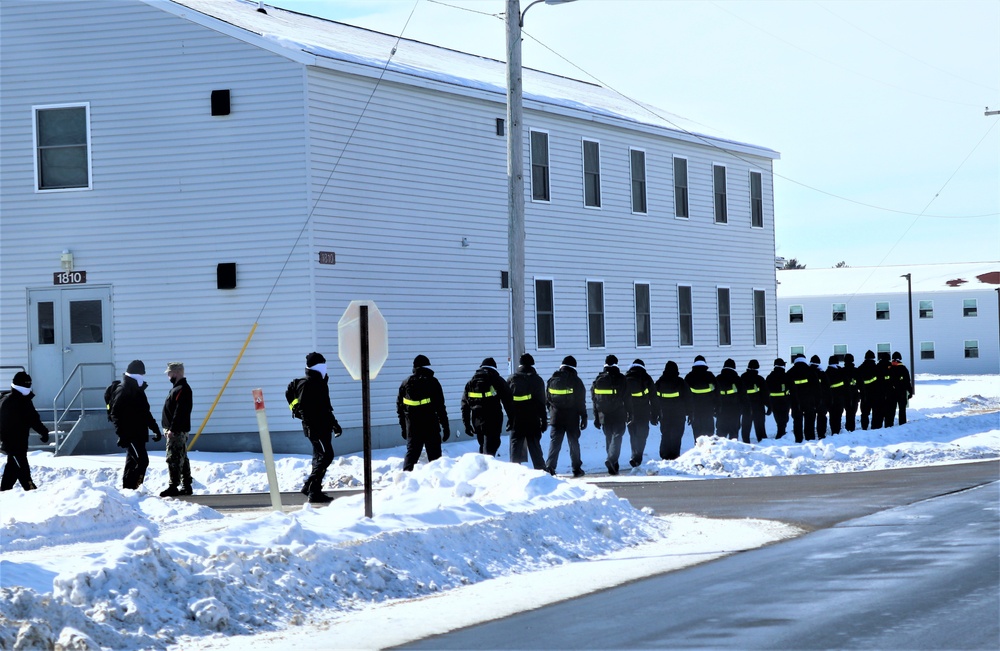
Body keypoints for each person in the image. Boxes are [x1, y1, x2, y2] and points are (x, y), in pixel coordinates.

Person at [296, 352, 343, 502]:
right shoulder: (307, 383)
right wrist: (309, 425)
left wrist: (334, 424)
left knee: (319, 458)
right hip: (315, 428)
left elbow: (325, 407)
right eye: (323, 364)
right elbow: (303, 408)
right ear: (316, 366)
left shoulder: (320, 382)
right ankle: (309, 485)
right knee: (326, 455)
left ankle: (314, 492)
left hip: (324, 426)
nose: (325, 367)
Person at [109, 360, 162, 490]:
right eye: (140, 375)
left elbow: (145, 412)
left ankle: (128, 490)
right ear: (134, 376)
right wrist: (121, 435)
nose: (142, 378)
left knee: (132, 462)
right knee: (142, 461)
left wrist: (155, 429)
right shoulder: (124, 390)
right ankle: (136, 489)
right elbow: (115, 414)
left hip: (139, 434)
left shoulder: (138, 391)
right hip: (130, 435)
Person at [398, 354, 449, 473]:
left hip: (413, 425)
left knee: (412, 454)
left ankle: (405, 480)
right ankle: (437, 481)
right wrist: (445, 426)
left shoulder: (405, 384)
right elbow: (440, 407)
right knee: (435, 457)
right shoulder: (433, 382)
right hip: (430, 424)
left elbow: (400, 407)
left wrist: (404, 427)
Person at [0, 372, 49, 492]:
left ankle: (4, 492)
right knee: (23, 471)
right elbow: (3, 424)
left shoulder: (22, 400)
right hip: (13, 445)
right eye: (27, 384)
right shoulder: (10, 402)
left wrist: (43, 432)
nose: (29, 387)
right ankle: (32, 492)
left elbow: (33, 418)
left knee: (11, 470)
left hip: (19, 444)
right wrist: (43, 432)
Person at [544, 356, 588, 477]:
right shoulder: (576, 381)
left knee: (555, 442)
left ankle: (550, 467)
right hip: (571, 418)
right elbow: (581, 401)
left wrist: (552, 411)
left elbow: (547, 399)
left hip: (556, 416)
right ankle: (576, 468)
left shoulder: (552, 380)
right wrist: (583, 416)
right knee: (573, 443)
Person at [461, 357, 512, 457]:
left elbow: (464, 405)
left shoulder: (471, 383)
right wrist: (511, 419)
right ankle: (487, 469)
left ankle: (483, 467)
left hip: (477, 420)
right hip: (493, 419)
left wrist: (466, 424)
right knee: (490, 449)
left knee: (483, 446)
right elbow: (508, 401)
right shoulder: (497, 380)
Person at [506, 353, 547, 470]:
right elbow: (541, 402)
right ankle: (541, 471)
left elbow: (506, 400)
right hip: (532, 418)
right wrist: (543, 420)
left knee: (515, 444)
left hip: (516, 418)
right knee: (534, 445)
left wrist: (510, 418)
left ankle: (514, 471)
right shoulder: (537, 380)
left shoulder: (511, 379)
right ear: (532, 364)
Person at [592, 354, 631, 475]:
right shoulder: (621, 378)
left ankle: (614, 464)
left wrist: (596, 417)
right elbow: (627, 398)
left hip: (603, 414)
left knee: (609, 438)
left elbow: (594, 399)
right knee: (617, 436)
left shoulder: (599, 379)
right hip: (618, 413)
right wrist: (630, 412)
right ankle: (611, 460)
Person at [159, 362, 194, 497]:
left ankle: (173, 486)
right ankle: (186, 485)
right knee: (182, 457)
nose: (168, 376)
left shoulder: (182, 389)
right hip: (175, 429)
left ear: (176, 373)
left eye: (169, 373)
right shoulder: (177, 388)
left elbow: (180, 412)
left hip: (176, 431)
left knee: (173, 458)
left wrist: (173, 429)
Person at [653, 361, 690, 460]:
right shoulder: (680, 382)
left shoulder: (660, 382)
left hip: (664, 413)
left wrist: (654, 413)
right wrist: (690, 412)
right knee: (677, 435)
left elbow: (654, 399)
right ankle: (674, 455)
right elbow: (688, 398)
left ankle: (665, 454)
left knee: (666, 433)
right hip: (679, 414)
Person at [624, 359, 656, 468]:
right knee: (642, 434)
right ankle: (637, 457)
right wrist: (655, 414)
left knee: (633, 434)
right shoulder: (646, 378)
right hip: (643, 411)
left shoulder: (626, 377)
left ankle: (634, 455)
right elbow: (654, 397)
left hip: (629, 411)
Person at [785, 354, 818, 443]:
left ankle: (798, 439)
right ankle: (810, 439)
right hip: (809, 401)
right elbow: (816, 387)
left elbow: (786, 388)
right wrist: (817, 401)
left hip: (796, 401)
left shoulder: (790, 372)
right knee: (810, 420)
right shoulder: (811, 371)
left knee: (797, 421)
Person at [684, 356, 716, 438]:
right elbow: (716, 392)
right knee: (709, 437)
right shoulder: (710, 376)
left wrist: (687, 411)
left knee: (698, 437)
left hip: (695, 412)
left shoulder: (689, 377)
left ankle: (699, 450)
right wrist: (717, 407)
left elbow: (685, 396)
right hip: (708, 411)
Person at [714, 358, 744, 440]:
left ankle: (720, 451)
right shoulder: (738, 379)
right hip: (735, 411)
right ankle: (732, 451)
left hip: (721, 411)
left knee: (720, 435)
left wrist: (715, 409)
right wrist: (743, 409)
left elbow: (714, 395)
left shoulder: (717, 379)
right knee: (734, 435)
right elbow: (743, 395)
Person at [740, 359, 768, 443]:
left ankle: (745, 442)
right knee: (760, 426)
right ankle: (763, 442)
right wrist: (769, 406)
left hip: (746, 406)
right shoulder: (760, 379)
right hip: (758, 406)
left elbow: (740, 393)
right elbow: (765, 394)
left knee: (746, 426)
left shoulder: (742, 377)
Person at [765, 359, 791, 439]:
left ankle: (781, 432)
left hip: (773, 401)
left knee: (778, 417)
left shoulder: (769, 377)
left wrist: (768, 404)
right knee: (784, 418)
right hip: (784, 400)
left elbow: (766, 390)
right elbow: (791, 387)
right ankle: (781, 433)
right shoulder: (785, 376)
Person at [857, 350, 881, 430]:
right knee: (876, 412)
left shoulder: (860, 369)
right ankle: (875, 427)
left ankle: (864, 427)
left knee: (864, 413)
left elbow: (858, 383)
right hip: (876, 394)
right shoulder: (877, 368)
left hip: (864, 394)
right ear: (873, 358)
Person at [888, 352, 914, 426]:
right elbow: (907, 381)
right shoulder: (903, 368)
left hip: (891, 392)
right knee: (902, 409)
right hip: (901, 392)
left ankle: (890, 424)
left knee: (891, 409)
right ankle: (902, 423)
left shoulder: (889, 368)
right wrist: (910, 392)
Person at [824, 355, 848, 435]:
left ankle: (834, 431)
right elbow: (846, 385)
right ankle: (836, 431)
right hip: (840, 398)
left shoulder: (826, 373)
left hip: (831, 399)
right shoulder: (841, 372)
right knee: (838, 415)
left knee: (832, 415)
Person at [809, 355, 829, 439]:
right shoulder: (822, 373)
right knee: (821, 417)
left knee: (810, 418)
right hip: (821, 399)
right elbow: (827, 387)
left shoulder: (807, 373)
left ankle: (810, 436)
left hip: (810, 400)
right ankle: (821, 434)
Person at [842, 353, 860, 432]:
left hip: (845, 395)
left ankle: (848, 428)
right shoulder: (856, 371)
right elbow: (860, 383)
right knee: (853, 412)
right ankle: (851, 428)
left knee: (848, 411)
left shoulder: (841, 371)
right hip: (855, 394)